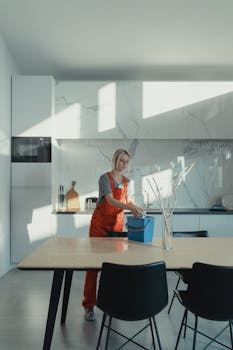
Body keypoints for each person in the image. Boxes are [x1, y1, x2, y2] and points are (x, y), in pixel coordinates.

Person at [82, 148, 143, 321]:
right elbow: (110, 200)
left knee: (114, 267)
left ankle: (112, 303)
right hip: (99, 227)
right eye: (121, 160)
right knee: (93, 267)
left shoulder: (126, 181)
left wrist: (135, 206)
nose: (123, 164)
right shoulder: (104, 178)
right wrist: (130, 208)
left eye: (126, 162)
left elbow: (124, 201)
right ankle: (89, 306)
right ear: (115, 159)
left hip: (116, 227)